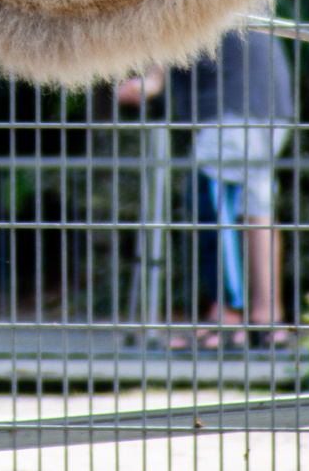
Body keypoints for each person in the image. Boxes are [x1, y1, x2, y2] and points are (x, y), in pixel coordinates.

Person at [117, 28, 293, 351]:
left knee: (212, 203)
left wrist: (151, 81)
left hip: (231, 107)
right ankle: (268, 320)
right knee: (257, 211)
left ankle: (225, 320)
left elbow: (176, 20)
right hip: (270, 103)